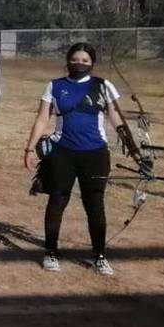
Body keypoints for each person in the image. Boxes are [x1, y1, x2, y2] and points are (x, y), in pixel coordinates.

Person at [23, 42, 140, 276]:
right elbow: (42, 119)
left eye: (85, 61)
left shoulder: (103, 86)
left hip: (96, 154)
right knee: (57, 201)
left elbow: (116, 117)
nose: (80, 64)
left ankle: (99, 256)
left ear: (92, 63)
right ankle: (51, 252)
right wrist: (28, 148)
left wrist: (132, 147)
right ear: (68, 61)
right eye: (75, 59)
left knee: (95, 205)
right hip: (62, 154)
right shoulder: (55, 86)